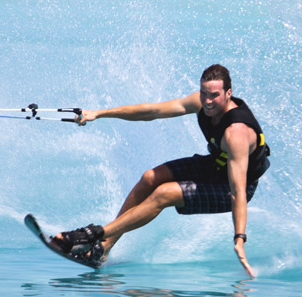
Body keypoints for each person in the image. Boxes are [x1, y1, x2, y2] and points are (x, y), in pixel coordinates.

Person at [49, 64, 270, 277]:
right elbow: (153, 111)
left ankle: (93, 236)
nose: (208, 101)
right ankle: (103, 249)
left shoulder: (237, 133)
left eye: (214, 95)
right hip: (215, 165)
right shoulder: (200, 102)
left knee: (164, 193)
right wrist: (98, 114)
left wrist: (239, 238)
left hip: (232, 188)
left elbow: (238, 191)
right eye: (204, 94)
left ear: (228, 93)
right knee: (150, 178)